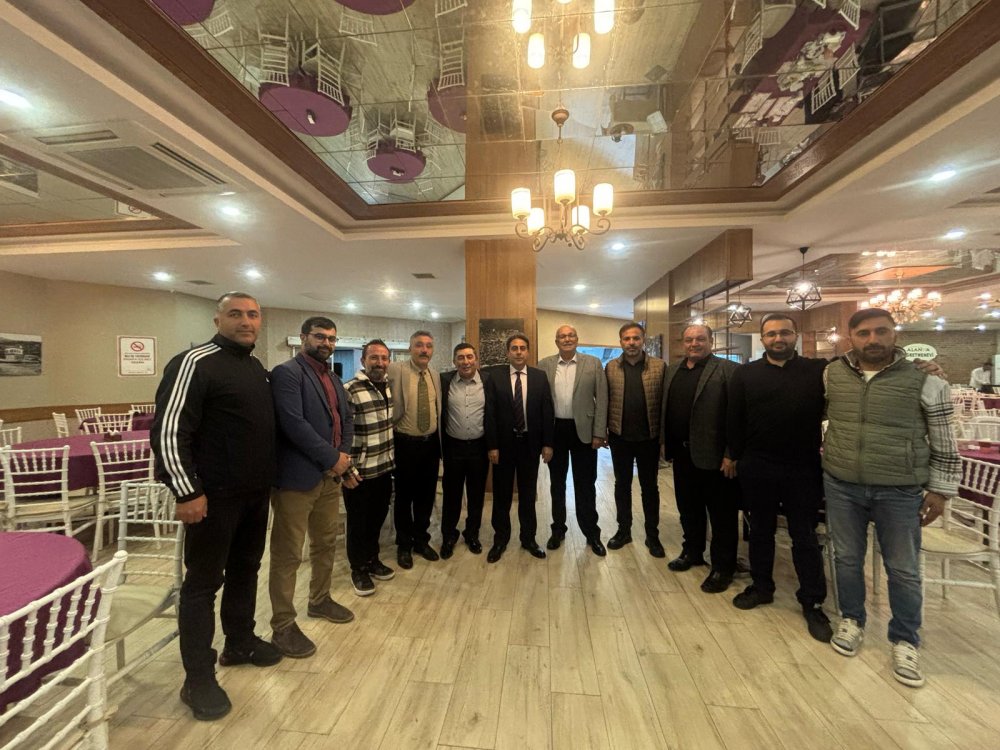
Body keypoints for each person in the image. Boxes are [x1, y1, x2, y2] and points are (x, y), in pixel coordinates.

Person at [151, 291, 281, 721]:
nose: (246, 321)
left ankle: (239, 642)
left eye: (253, 314)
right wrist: (186, 491)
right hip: (212, 498)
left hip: (254, 495)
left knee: (246, 570)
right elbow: (169, 432)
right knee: (203, 585)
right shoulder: (194, 363)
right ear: (217, 319)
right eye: (236, 314)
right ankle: (197, 678)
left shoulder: (256, 368)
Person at [823, 308, 960, 688]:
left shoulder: (926, 380)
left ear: (895, 334)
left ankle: (905, 638)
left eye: (881, 331)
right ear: (851, 337)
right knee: (846, 558)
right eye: (864, 333)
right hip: (842, 483)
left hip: (899, 488)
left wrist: (941, 490)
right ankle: (852, 619)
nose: (873, 339)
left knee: (903, 568)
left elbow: (945, 439)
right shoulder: (832, 374)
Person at [726, 313, 832, 641]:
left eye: (784, 332)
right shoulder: (745, 374)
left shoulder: (819, 370)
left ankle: (812, 601)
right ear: (763, 339)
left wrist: (923, 368)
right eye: (771, 334)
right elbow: (734, 418)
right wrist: (732, 455)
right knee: (760, 532)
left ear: (795, 335)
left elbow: (859, 368)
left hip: (803, 467)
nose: (778, 339)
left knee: (804, 536)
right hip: (758, 465)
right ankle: (762, 587)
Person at [268, 316, 356, 661]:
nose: (327, 343)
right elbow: (293, 424)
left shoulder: (332, 377)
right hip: (297, 479)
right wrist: (333, 458)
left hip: (329, 477)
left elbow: (346, 420)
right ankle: (282, 624)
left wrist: (342, 458)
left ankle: (319, 600)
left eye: (332, 338)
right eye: (320, 337)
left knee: (326, 542)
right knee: (289, 554)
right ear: (304, 337)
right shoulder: (287, 373)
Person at [661, 324, 739, 593]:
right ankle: (692, 552)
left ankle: (723, 567)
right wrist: (664, 442)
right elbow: (666, 409)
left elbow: (737, 416)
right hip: (682, 455)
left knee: (721, 515)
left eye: (700, 339)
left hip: (716, 458)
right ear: (683, 343)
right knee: (688, 509)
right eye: (689, 339)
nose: (694, 344)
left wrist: (731, 453)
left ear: (711, 341)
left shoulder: (727, 370)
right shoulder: (673, 370)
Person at [484, 333, 555, 563]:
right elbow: (490, 414)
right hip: (503, 446)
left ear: (528, 352)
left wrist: (547, 443)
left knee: (527, 494)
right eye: (514, 348)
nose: (518, 352)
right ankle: (500, 539)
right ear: (507, 352)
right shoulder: (495, 378)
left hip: (530, 445)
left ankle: (528, 539)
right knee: (502, 495)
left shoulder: (539, 377)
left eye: (522, 348)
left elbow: (547, 411)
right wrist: (492, 445)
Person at [538, 325, 608, 556]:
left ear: (577, 339)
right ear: (556, 341)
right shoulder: (544, 365)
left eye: (571, 335)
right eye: (562, 336)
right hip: (555, 430)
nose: (567, 339)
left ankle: (591, 533)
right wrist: (544, 439)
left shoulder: (593, 364)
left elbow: (602, 399)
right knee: (557, 484)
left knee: (585, 484)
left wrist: (599, 432)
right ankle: (558, 530)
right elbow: (539, 403)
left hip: (585, 433)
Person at [605, 322, 666, 557]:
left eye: (636, 338)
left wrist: (664, 438)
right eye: (627, 339)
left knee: (650, 487)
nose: (631, 343)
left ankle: (653, 535)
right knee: (622, 485)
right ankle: (624, 531)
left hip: (649, 438)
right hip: (620, 437)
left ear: (643, 340)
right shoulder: (611, 367)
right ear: (620, 341)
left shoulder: (659, 367)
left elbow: (665, 404)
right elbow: (605, 401)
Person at [343, 340, 397, 595]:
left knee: (377, 519)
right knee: (358, 523)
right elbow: (341, 433)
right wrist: (346, 469)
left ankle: (372, 560)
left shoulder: (388, 387)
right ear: (363, 360)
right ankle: (358, 569)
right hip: (359, 472)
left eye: (384, 358)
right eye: (374, 357)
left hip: (384, 468)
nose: (379, 363)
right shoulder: (349, 390)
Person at [387, 331, 442, 569]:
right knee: (404, 497)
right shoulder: (395, 370)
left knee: (426, 496)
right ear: (410, 348)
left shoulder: (435, 375)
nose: (424, 350)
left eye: (428, 346)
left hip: (430, 445)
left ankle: (421, 540)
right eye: (419, 345)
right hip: (404, 444)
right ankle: (404, 544)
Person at [439, 343, 492, 558]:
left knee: (476, 494)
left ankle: (472, 533)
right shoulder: (444, 381)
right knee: (451, 494)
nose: (466, 361)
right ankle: (448, 535)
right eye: (460, 357)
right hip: (453, 447)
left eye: (469, 357)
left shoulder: (488, 381)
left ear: (476, 359)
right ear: (454, 361)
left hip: (479, 447)